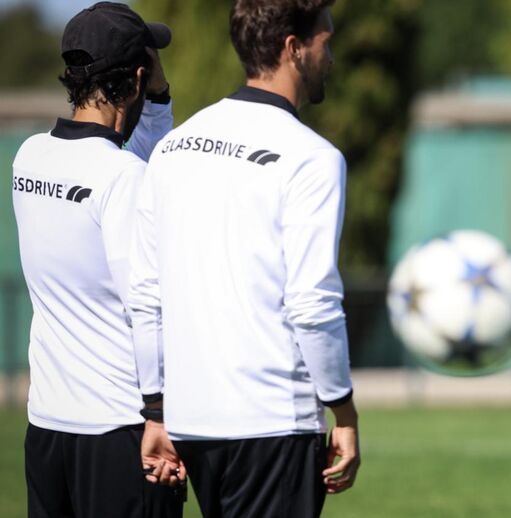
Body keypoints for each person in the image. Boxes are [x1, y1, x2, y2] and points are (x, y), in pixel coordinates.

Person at [127, 0, 359, 516]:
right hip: (272, 423)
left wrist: (156, 411)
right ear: (293, 49)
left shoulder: (175, 146)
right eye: (327, 42)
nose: (333, 57)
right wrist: (343, 413)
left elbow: (145, 294)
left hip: (191, 426)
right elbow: (312, 303)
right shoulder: (314, 158)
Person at [11, 2, 185, 517]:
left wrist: (152, 99)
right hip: (120, 430)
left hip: (46, 428)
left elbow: (121, 161)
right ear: (135, 79)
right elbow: (145, 304)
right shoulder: (122, 178)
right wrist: (159, 413)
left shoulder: (29, 157)